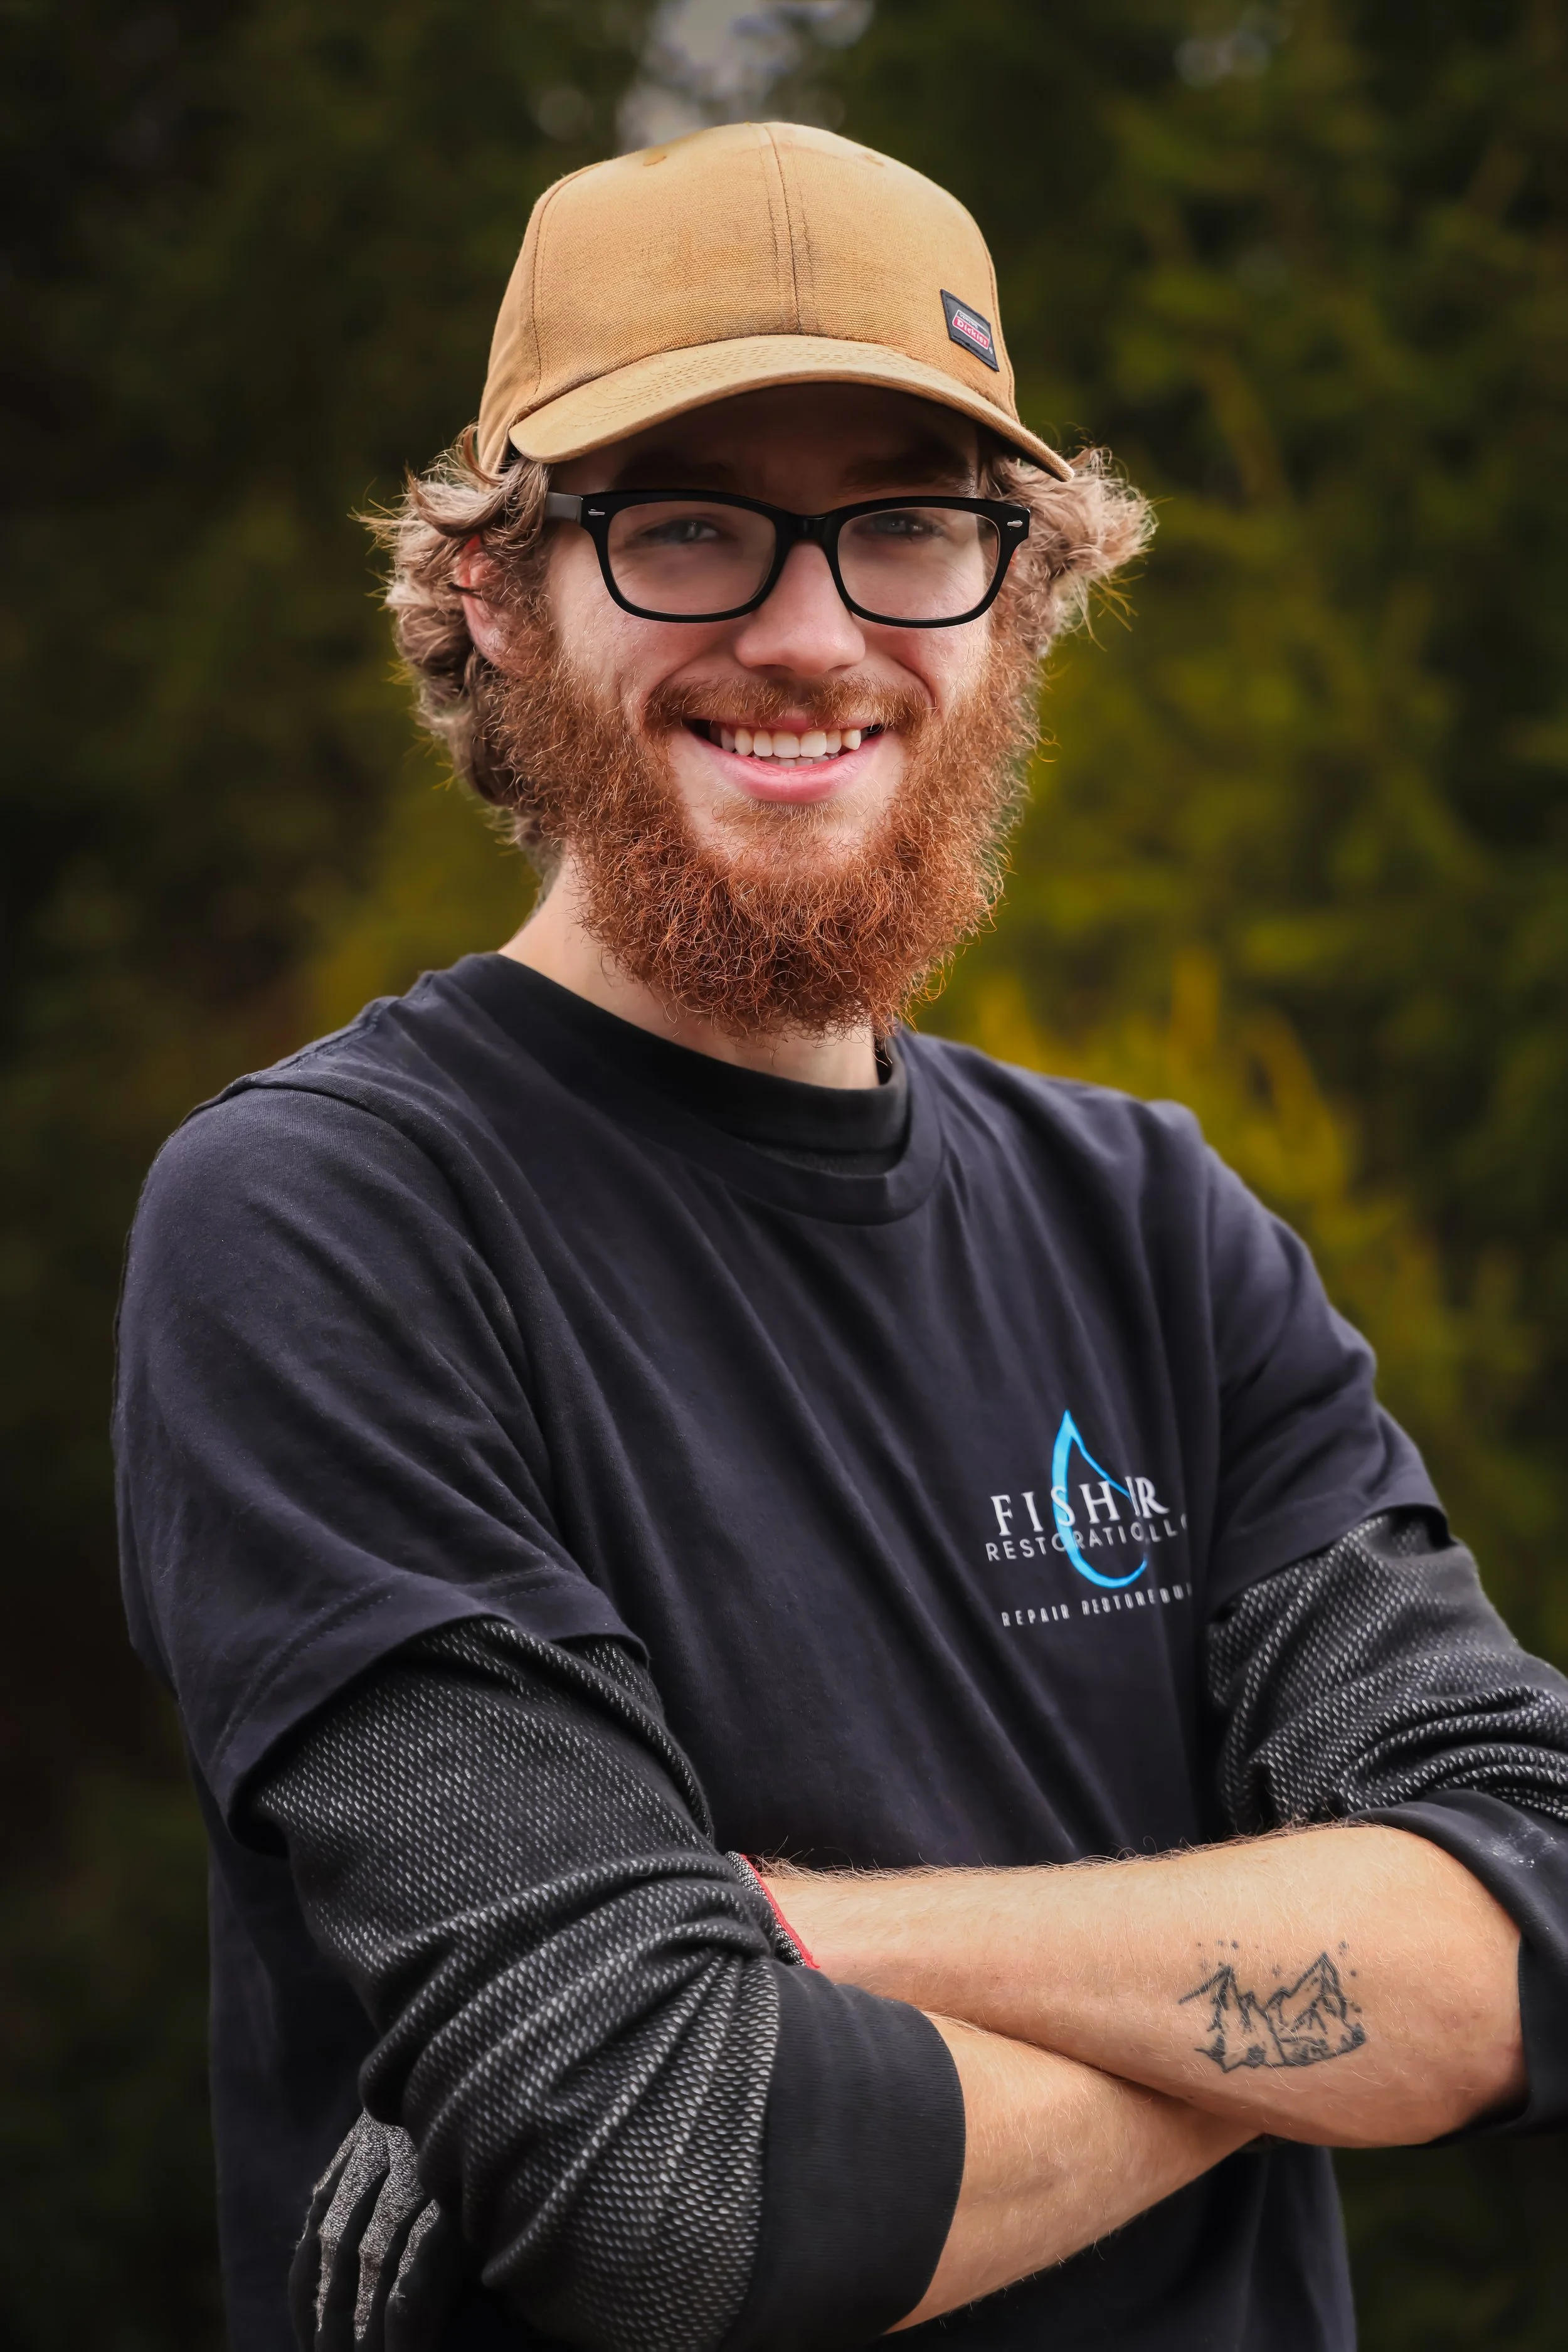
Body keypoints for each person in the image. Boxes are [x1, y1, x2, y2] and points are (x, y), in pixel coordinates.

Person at [114, 121, 1568, 2352]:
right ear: (494, 591)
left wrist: (801, 1937)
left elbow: (1533, 1901)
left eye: (906, 526)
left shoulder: (1160, 1232)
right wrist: (1321, 2036)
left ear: (1022, 592)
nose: (811, 635)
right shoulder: (330, 1222)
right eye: (689, 526)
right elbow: (676, 2182)